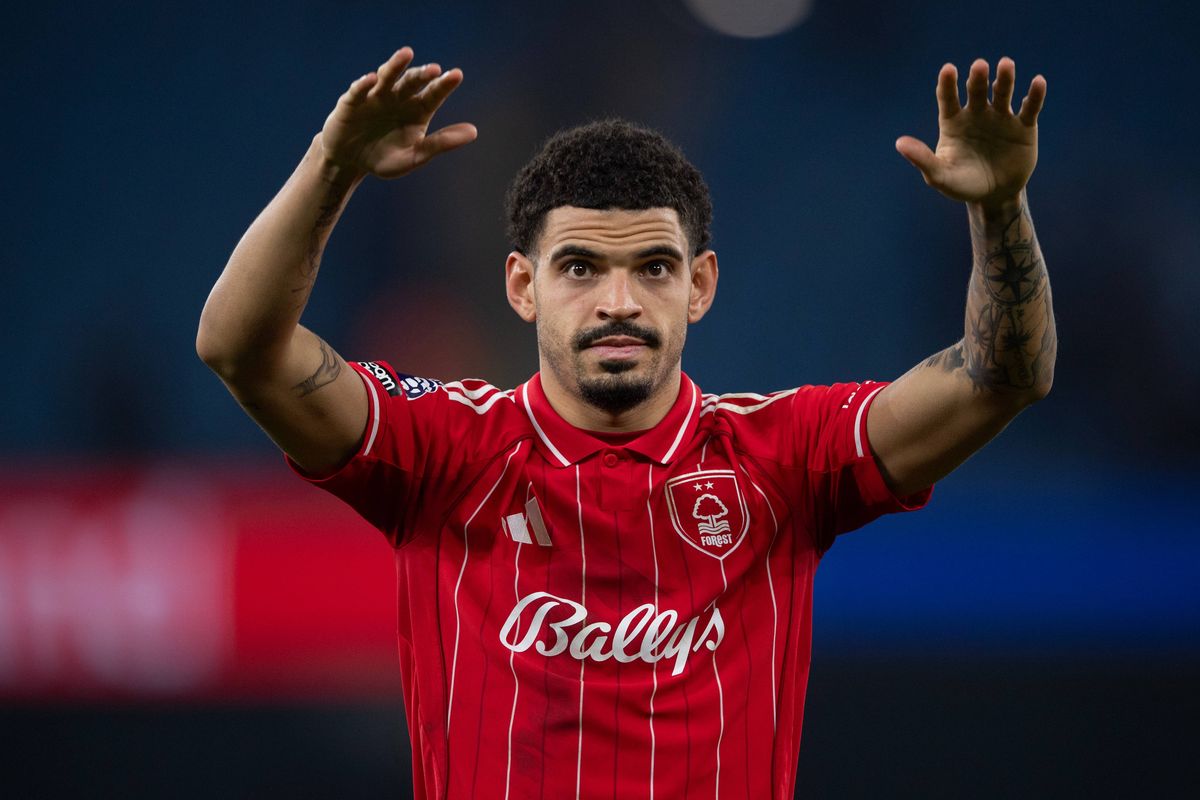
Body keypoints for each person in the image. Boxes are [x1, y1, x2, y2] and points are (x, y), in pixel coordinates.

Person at [197, 46, 1054, 800]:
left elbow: (1003, 376)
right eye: (578, 267)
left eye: (653, 267)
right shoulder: (444, 450)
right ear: (522, 286)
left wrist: (999, 206)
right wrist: (331, 165)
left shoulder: (783, 455)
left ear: (701, 285)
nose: (618, 302)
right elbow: (240, 348)